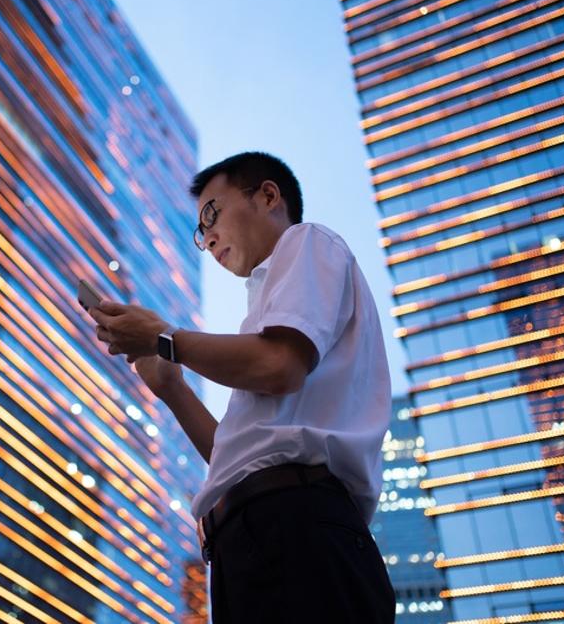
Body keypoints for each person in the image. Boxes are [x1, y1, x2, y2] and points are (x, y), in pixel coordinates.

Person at [88, 152, 395, 623]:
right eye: (200, 231)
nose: (207, 237)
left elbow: (280, 368)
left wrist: (164, 339)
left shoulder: (308, 242)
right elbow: (239, 457)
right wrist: (173, 389)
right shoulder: (266, 309)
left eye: (211, 213)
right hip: (255, 541)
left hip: (297, 530)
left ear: (268, 196)